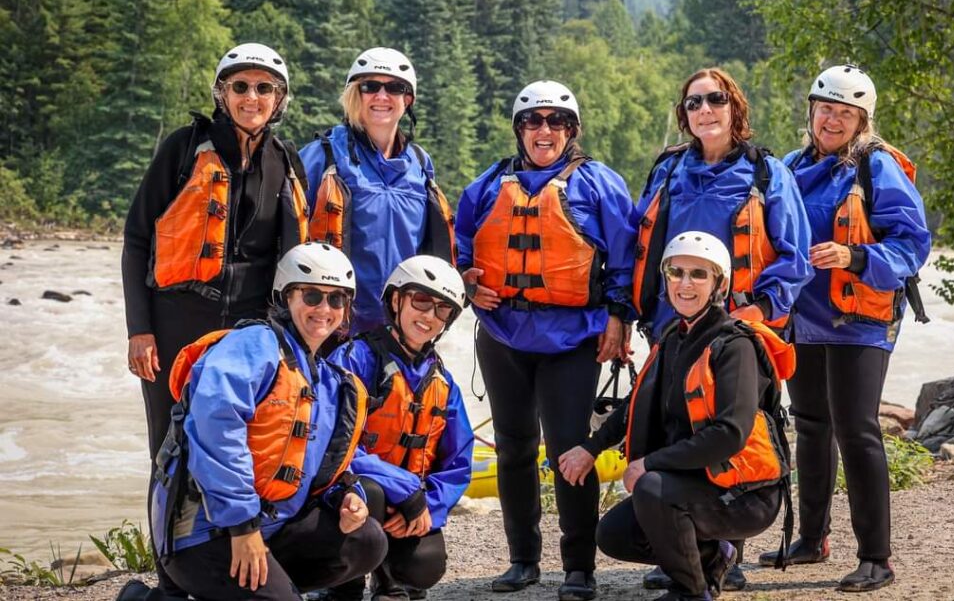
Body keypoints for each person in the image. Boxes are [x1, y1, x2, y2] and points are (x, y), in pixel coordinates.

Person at [121, 43, 308, 596]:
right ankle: (170, 582)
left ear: (279, 100)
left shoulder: (286, 160)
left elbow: (293, 262)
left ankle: (236, 568)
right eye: (241, 86)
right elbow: (137, 241)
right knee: (168, 452)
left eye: (264, 88)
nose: (252, 97)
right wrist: (140, 329)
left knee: (246, 445)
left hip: (251, 329)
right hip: (178, 316)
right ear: (222, 94)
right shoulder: (183, 151)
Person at [455, 80, 637, 601]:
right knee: (512, 448)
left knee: (568, 448)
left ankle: (579, 567)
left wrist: (618, 318)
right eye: (533, 121)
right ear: (519, 130)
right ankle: (522, 560)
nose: (544, 130)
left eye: (556, 122)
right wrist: (467, 281)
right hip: (503, 333)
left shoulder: (597, 182)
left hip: (572, 336)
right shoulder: (489, 183)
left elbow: (624, 256)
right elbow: (460, 243)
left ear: (572, 131)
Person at [123, 243, 386, 600]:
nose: (324, 309)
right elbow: (217, 430)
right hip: (207, 532)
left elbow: (321, 466)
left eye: (336, 299)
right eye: (312, 296)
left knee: (366, 540)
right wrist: (242, 526)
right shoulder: (252, 346)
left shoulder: (327, 380)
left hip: (271, 527)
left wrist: (346, 495)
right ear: (285, 297)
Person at [632, 67, 811, 591]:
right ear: (684, 115)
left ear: (735, 108)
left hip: (737, 328)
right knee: (674, 431)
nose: (704, 110)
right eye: (693, 103)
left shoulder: (766, 173)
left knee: (733, 433)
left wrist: (759, 310)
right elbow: (638, 240)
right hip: (672, 326)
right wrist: (626, 311)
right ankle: (690, 553)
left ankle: (727, 557)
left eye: (715, 100)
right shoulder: (669, 169)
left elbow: (794, 255)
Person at [754, 65, 930, 592]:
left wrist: (853, 256)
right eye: (825, 108)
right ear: (810, 111)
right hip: (801, 320)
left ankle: (877, 557)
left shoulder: (877, 167)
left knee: (856, 429)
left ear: (862, 120)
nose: (832, 120)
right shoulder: (787, 166)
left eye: (845, 113)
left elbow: (911, 245)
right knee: (809, 423)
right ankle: (813, 538)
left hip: (859, 320)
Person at [561, 232, 793, 601]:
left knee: (652, 488)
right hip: (692, 482)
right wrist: (590, 448)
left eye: (699, 275)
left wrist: (649, 463)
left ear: (719, 283)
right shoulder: (673, 336)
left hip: (745, 496)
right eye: (677, 272)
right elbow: (636, 404)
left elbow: (729, 434)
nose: (685, 283)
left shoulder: (735, 346)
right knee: (615, 534)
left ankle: (690, 591)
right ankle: (712, 558)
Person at [326, 255, 473, 601]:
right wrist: (405, 491)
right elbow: (332, 445)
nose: (429, 316)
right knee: (372, 493)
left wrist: (428, 507)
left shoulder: (443, 382)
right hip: (354, 495)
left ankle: (391, 584)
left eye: (442, 310)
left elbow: (458, 462)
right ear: (396, 300)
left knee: (425, 566)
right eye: (421, 301)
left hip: (410, 503)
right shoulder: (354, 360)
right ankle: (343, 586)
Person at [300, 47, 455, 337]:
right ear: (355, 94)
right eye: (370, 86)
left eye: (394, 88)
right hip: (334, 325)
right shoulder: (324, 156)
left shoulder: (421, 165)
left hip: (401, 328)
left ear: (407, 99)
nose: (382, 97)